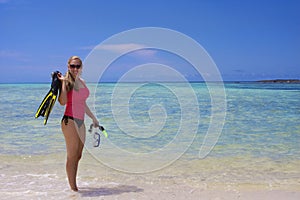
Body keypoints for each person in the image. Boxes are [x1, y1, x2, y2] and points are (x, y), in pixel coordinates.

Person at [57, 56, 99, 191]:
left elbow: (82, 103)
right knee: (72, 155)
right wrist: (63, 83)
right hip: (69, 120)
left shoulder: (82, 82)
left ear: (81, 67)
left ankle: (73, 186)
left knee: (79, 155)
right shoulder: (67, 82)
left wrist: (93, 118)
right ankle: (73, 189)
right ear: (68, 66)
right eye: (73, 66)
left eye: (78, 66)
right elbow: (62, 102)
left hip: (81, 122)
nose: (75, 69)